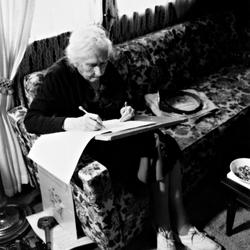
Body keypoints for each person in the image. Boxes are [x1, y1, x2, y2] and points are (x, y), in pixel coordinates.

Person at [24, 25, 221, 250]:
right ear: (75, 61)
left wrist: (126, 110)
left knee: (163, 144)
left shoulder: (106, 68)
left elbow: (124, 99)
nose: (100, 72)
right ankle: (180, 229)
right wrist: (73, 123)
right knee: (158, 146)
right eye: (92, 66)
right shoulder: (57, 76)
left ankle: (167, 231)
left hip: (116, 134)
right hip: (92, 146)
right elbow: (32, 120)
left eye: (103, 63)